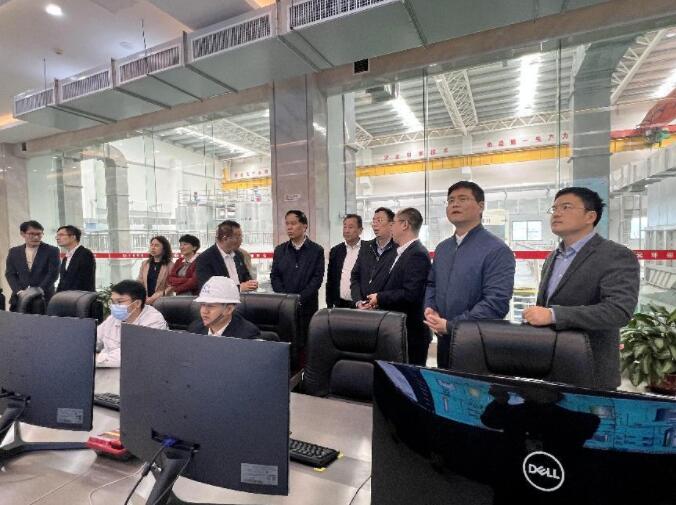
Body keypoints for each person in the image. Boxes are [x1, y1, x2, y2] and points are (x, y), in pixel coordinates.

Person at [522, 187, 640, 389]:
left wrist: (554, 315)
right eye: (554, 208)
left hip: (589, 372)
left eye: (566, 207)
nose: (557, 213)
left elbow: (618, 311)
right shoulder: (553, 257)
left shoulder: (616, 255)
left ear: (590, 216)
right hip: (549, 368)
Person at [424, 181, 516, 368]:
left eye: (463, 199)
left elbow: (496, 302)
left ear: (481, 206)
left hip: (476, 342)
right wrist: (430, 308)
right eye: (451, 200)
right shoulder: (443, 248)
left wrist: (452, 325)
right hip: (443, 339)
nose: (455, 204)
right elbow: (432, 284)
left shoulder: (496, 249)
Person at [363, 208, 431, 366]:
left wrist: (380, 298)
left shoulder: (417, 254)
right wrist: (375, 301)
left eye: (393, 223)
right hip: (395, 329)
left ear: (405, 225)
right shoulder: (399, 252)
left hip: (410, 333)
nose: (391, 227)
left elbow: (411, 294)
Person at [271, 210, 325, 343]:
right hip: (284, 306)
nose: (289, 227)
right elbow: (275, 276)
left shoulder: (316, 250)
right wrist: (286, 298)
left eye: (293, 223)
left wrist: (299, 299)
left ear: (304, 226)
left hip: (307, 305)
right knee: (286, 340)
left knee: (306, 341)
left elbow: (317, 279)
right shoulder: (280, 250)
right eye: (287, 224)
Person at [96, 280, 168, 367]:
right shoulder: (113, 318)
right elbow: (93, 339)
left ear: (137, 303)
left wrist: (97, 358)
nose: (114, 306)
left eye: (119, 302)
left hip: (139, 370)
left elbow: (131, 355)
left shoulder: (154, 320)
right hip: (106, 367)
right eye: (113, 302)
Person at [5, 220, 60, 311]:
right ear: (23, 234)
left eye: (39, 234)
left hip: (44, 298)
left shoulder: (52, 250)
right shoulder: (14, 252)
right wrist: (19, 291)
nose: (36, 237)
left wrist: (38, 291)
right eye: (31, 234)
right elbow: (10, 274)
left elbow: (53, 274)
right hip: (19, 298)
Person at [350, 207, 398, 306]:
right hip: (363, 308)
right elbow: (355, 276)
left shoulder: (399, 250)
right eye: (373, 221)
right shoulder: (366, 247)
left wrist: (379, 300)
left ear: (391, 225)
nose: (374, 224)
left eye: (379, 220)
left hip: (386, 309)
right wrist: (358, 302)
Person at [187, 276, 261, 339]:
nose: (204, 311)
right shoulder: (195, 329)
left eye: (210, 306)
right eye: (202, 305)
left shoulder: (247, 335)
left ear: (229, 309)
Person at [195, 220, 258, 292]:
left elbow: (245, 276)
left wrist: (251, 283)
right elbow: (206, 288)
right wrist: (239, 288)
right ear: (225, 238)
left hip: (242, 297)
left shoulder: (239, 255)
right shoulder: (205, 258)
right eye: (238, 237)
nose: (241, 240)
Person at [326, 214, 364, 308]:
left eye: (350, 227)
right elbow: (330, 280)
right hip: (340, 303)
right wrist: (329, 304)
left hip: (361, 304)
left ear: (360, 230)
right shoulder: (336, 251)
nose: (346, 230)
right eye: (344, 227)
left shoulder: (368, 249)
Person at [55, 225, 96, 292]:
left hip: (81, 296)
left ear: (73, 237)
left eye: (61, 235)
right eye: (57, 236)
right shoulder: (66, 257)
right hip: (66, 297)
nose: (57, 238)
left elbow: (85, 281)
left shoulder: (85, 254)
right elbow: (62, 282)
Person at [137, 235, 174, 305]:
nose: (153, 248)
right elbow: (140, 282)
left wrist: (155, 297)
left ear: (164, 249)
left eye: (156, 245)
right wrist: (143, 297)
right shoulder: (145, 264)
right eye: (151, 245)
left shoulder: (170, 265)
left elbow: (171, 286)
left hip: (163, 301)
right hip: (146, 300)